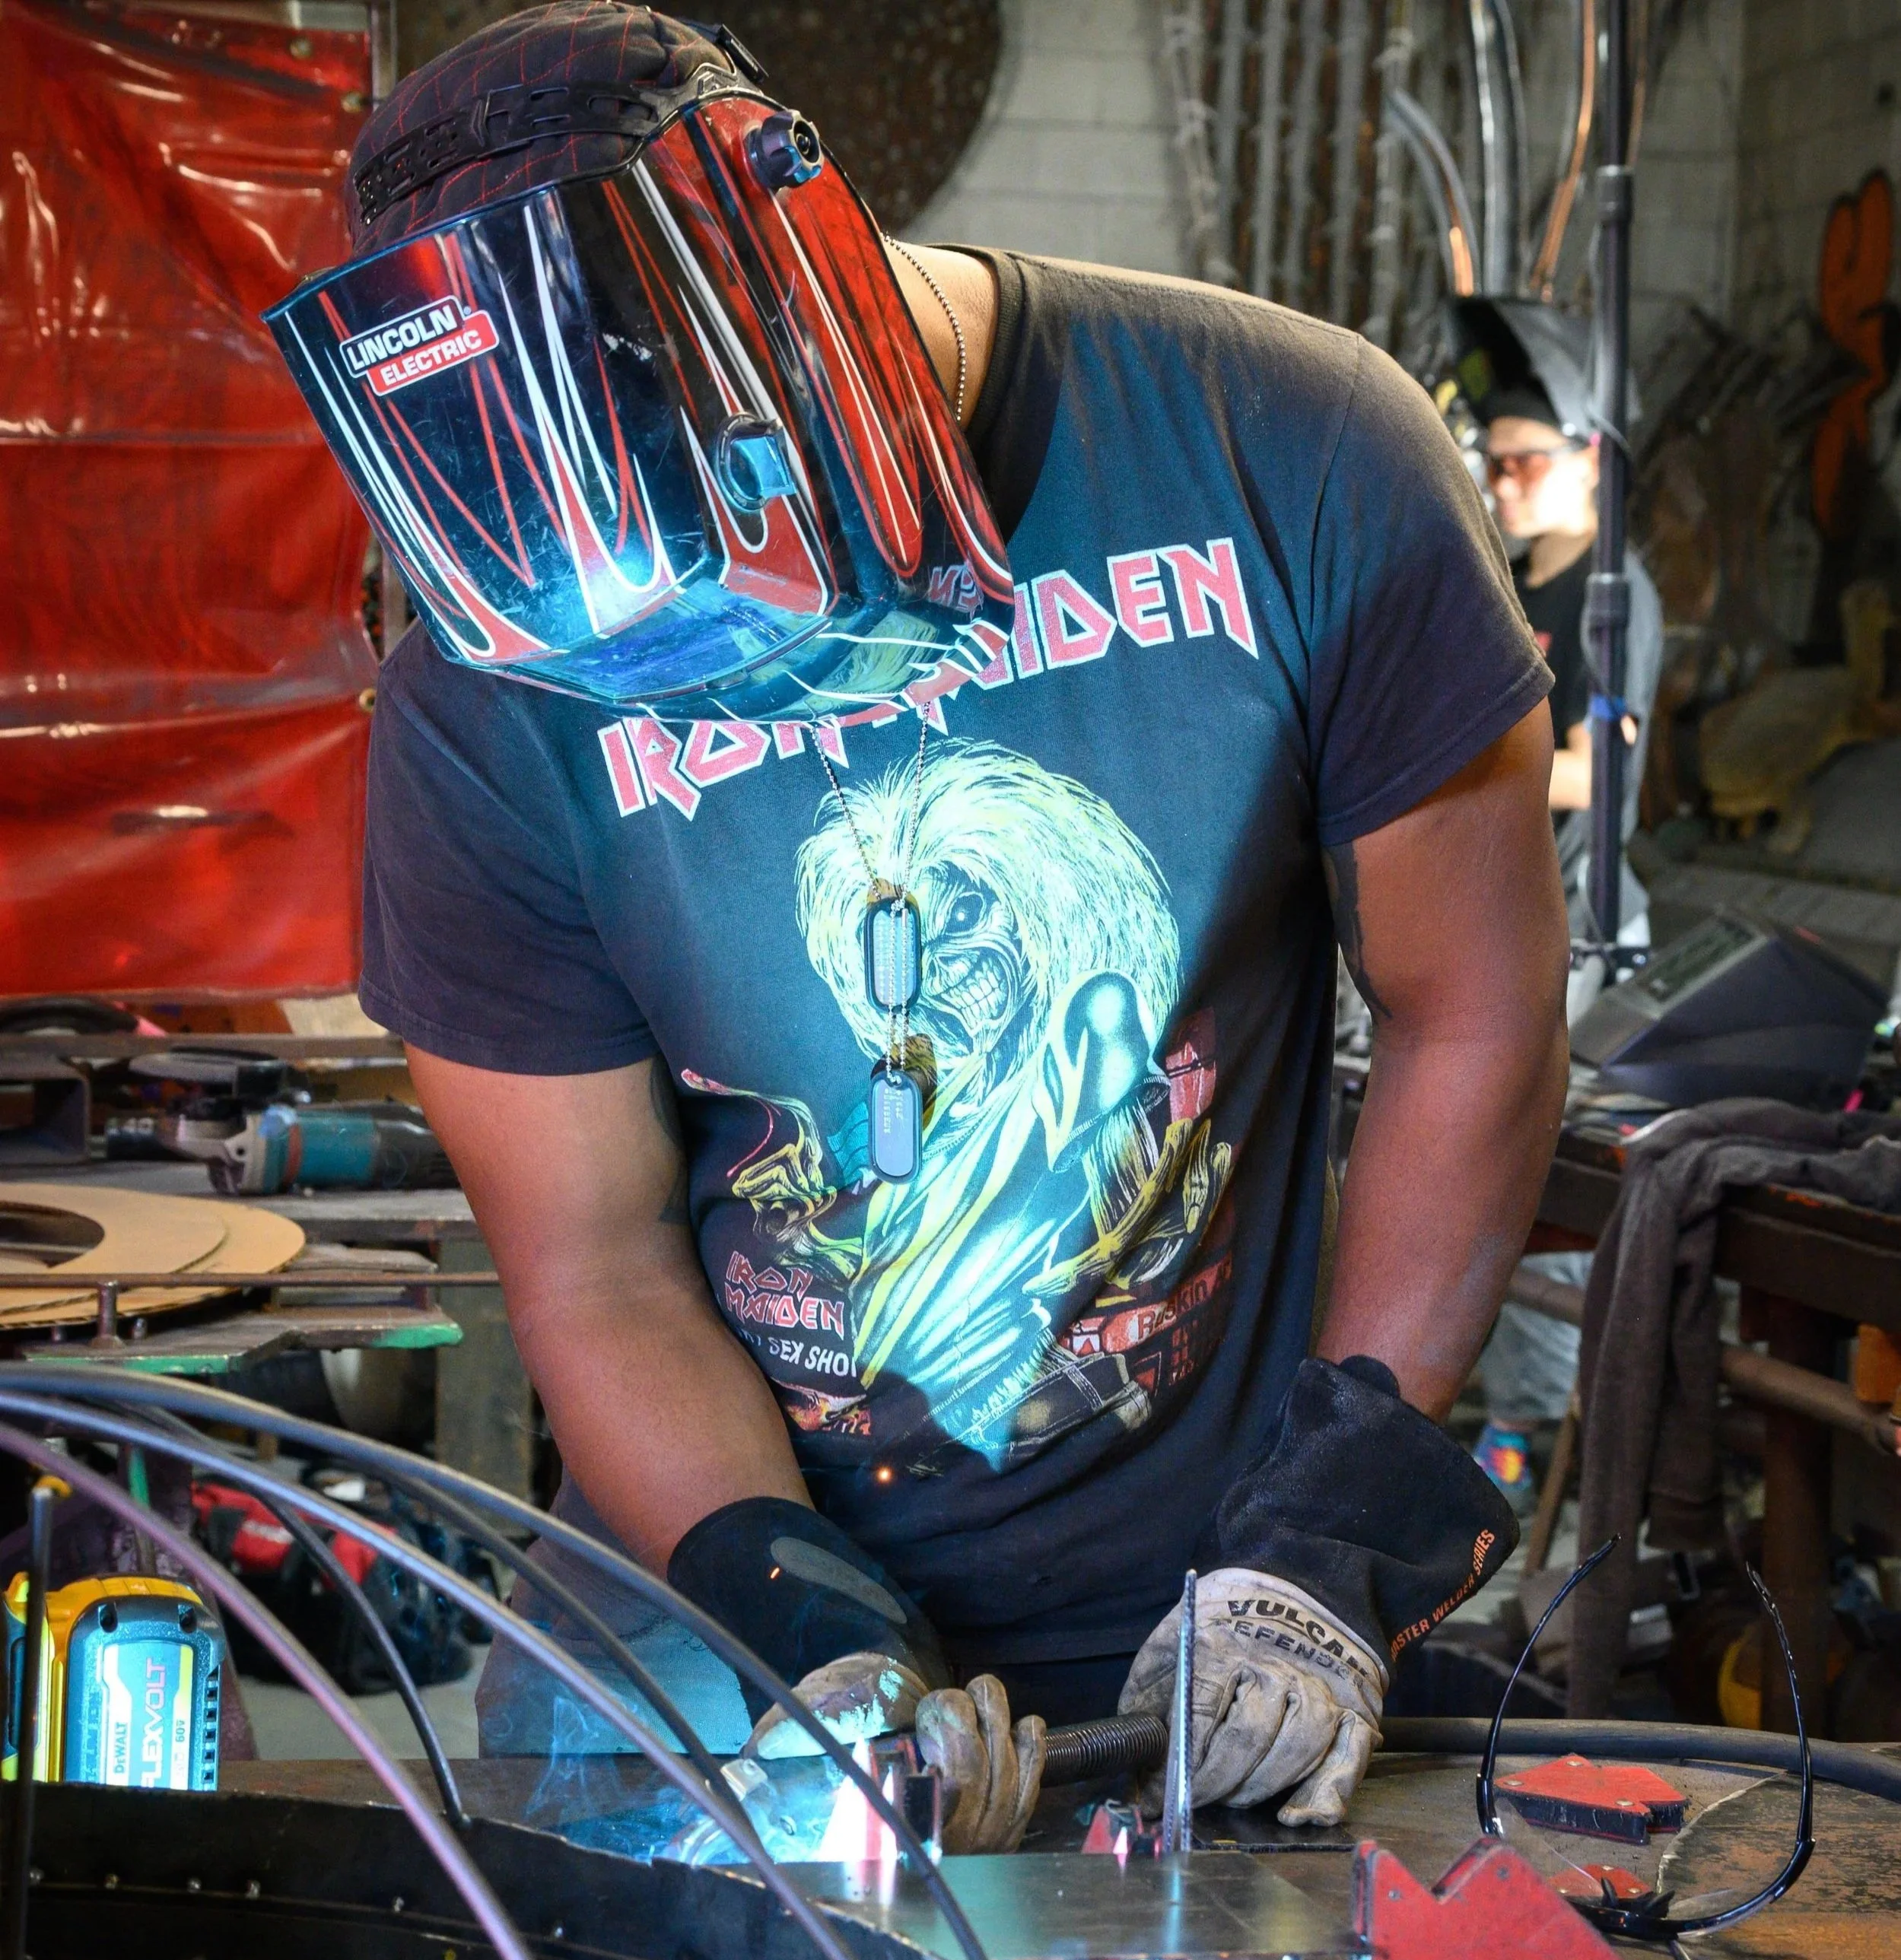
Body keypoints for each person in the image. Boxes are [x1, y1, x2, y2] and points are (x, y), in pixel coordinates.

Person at [269, 4, 1569, 1847]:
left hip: (1215, 1587)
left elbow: (1474, 1020)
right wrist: (811, 1635)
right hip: (735, 1610)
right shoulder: (488, 694)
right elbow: (594, 1256)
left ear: (813, 270)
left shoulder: (1290, 449)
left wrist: (1325, 1533)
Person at [1446, 301, 1664, 1514]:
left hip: (1579, 917)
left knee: (1526, 1169)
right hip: (1495, 910)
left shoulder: (1610, 596)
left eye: (1524, 457)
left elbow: (1599, 766)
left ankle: (1531, 1436)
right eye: (1490, 456)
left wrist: (1449, 754)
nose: (1500, 478)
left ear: (1587, 455)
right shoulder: (1499, 577)